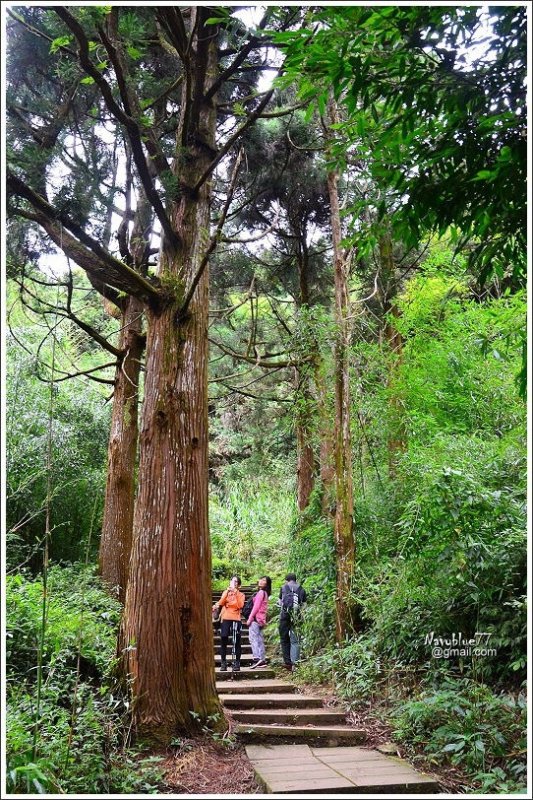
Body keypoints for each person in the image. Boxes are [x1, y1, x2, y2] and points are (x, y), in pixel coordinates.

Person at [212, 575, 245, 672]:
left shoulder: (241, 594)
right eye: (232, 581)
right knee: (223, 639)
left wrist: (235, 592)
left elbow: (240, 605)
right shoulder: (226, 592)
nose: (233, 583)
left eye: (235, 581)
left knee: (237, 641)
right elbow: (221, 602)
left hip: (236, 618)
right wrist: (227, 592)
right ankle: (223, 663)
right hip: (225, 618)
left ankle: (237, 663)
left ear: (238, 584)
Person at [278, 573, 307, 671]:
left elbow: (280, 602)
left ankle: (288, 662)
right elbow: (304, 606)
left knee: (284, 639)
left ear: (287, 580)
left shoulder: (283, 587)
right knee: (295, 641)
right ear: (295, 579)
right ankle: (295, 664)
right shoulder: (301, 589)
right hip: (296, 618)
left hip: (284, 617)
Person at [245, 576, 272, 669]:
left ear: (267, 583)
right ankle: (262, 660)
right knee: (259, 639)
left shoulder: (261, 592)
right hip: (261, 619)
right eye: (261, 579)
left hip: (256, 619)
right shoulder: (265, 593)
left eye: (264, 580)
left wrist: (250, 618)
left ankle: (256, 659)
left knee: (253, 638)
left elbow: (256, 607)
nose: (261, 581)